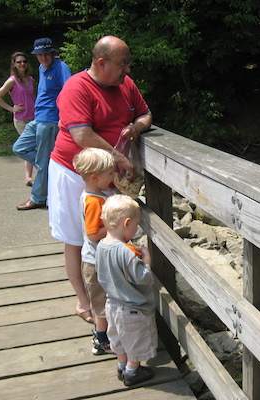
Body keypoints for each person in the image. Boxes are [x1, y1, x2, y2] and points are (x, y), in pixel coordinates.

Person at [48, 35, 152, 324]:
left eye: (128, 63)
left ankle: (107, 299)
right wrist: (119, 158)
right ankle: (85, 304)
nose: (127, 70)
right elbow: (81, 135)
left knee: (106, 236)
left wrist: (136, 127)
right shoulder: (76, 88)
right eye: (123, 64)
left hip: (108, 179)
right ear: (101, 62)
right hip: (73, 173)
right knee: (76, 239)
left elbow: (146, 114)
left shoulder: (124, 85)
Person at [95, 194, 157, 386]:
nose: (136, 229)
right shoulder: (125, 251)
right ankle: (132, 372)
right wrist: (146, 260)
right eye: (136, 225)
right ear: (126, 223)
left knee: (119, 340)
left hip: (112, 304)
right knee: (135, 341)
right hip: (132, 308)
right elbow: (143, 278)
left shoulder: (100, 247)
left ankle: (121, 366)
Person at [13, 37, 72, 210]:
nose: (43, 58)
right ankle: (48, 166)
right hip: (37, 118)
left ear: (52, 53)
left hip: (50, 120)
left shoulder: (61, 68)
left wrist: (65, 117)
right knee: (19, 148)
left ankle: (38, 198)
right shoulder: (41, 68)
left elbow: (70, 92)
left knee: (42, 160)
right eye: (39, 55)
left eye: (46, 54)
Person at [72, 147, 116, 352]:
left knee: (103, 300)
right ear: (95, 177)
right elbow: (92, 234)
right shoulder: (94, 201)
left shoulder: (92, 194)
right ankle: (101, 340)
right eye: (110, 173)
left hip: (95, 259)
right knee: (100, 303)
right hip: (94, 261)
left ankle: (103, 334)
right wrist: (113, 226)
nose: (113, 176)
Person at [0, 51, 36, 186]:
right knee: (30, 146)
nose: (22, 64)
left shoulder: (30, 79)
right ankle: (37, 173)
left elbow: (33, 97)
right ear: (14, 64)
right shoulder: (12, 81)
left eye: (24, 61)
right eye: (18, 62)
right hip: (21, 120)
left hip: (34, 118)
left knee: (33, 147)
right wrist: (12, 108)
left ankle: (29, 177)